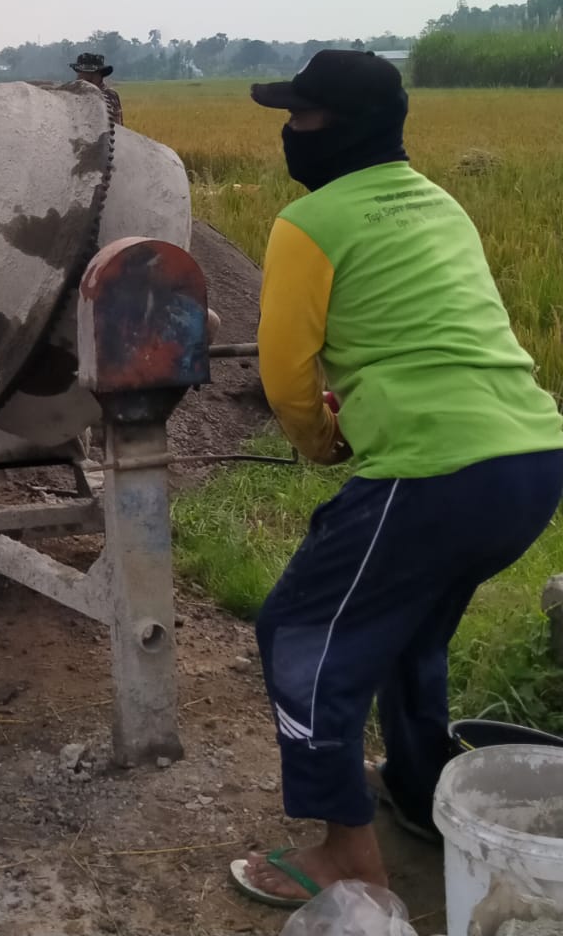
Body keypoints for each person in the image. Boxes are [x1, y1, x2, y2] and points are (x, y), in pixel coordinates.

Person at [230, 51, 563, 909]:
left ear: (339, 128)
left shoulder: (310, 223)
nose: (289, 131)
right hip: (531, 461)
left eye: (301, 117)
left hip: (433, 473)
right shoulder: (441, 203)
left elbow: (287, 379)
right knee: (410, 629)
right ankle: (420, 794)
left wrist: (322, 447)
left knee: (299, 636)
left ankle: (347, 853)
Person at [69, 52, 123, 126]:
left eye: (91, 74)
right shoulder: (72, 93)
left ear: (100, 75)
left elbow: (118, 127)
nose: (84, 76)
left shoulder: (109, 95)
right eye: (82, 72)